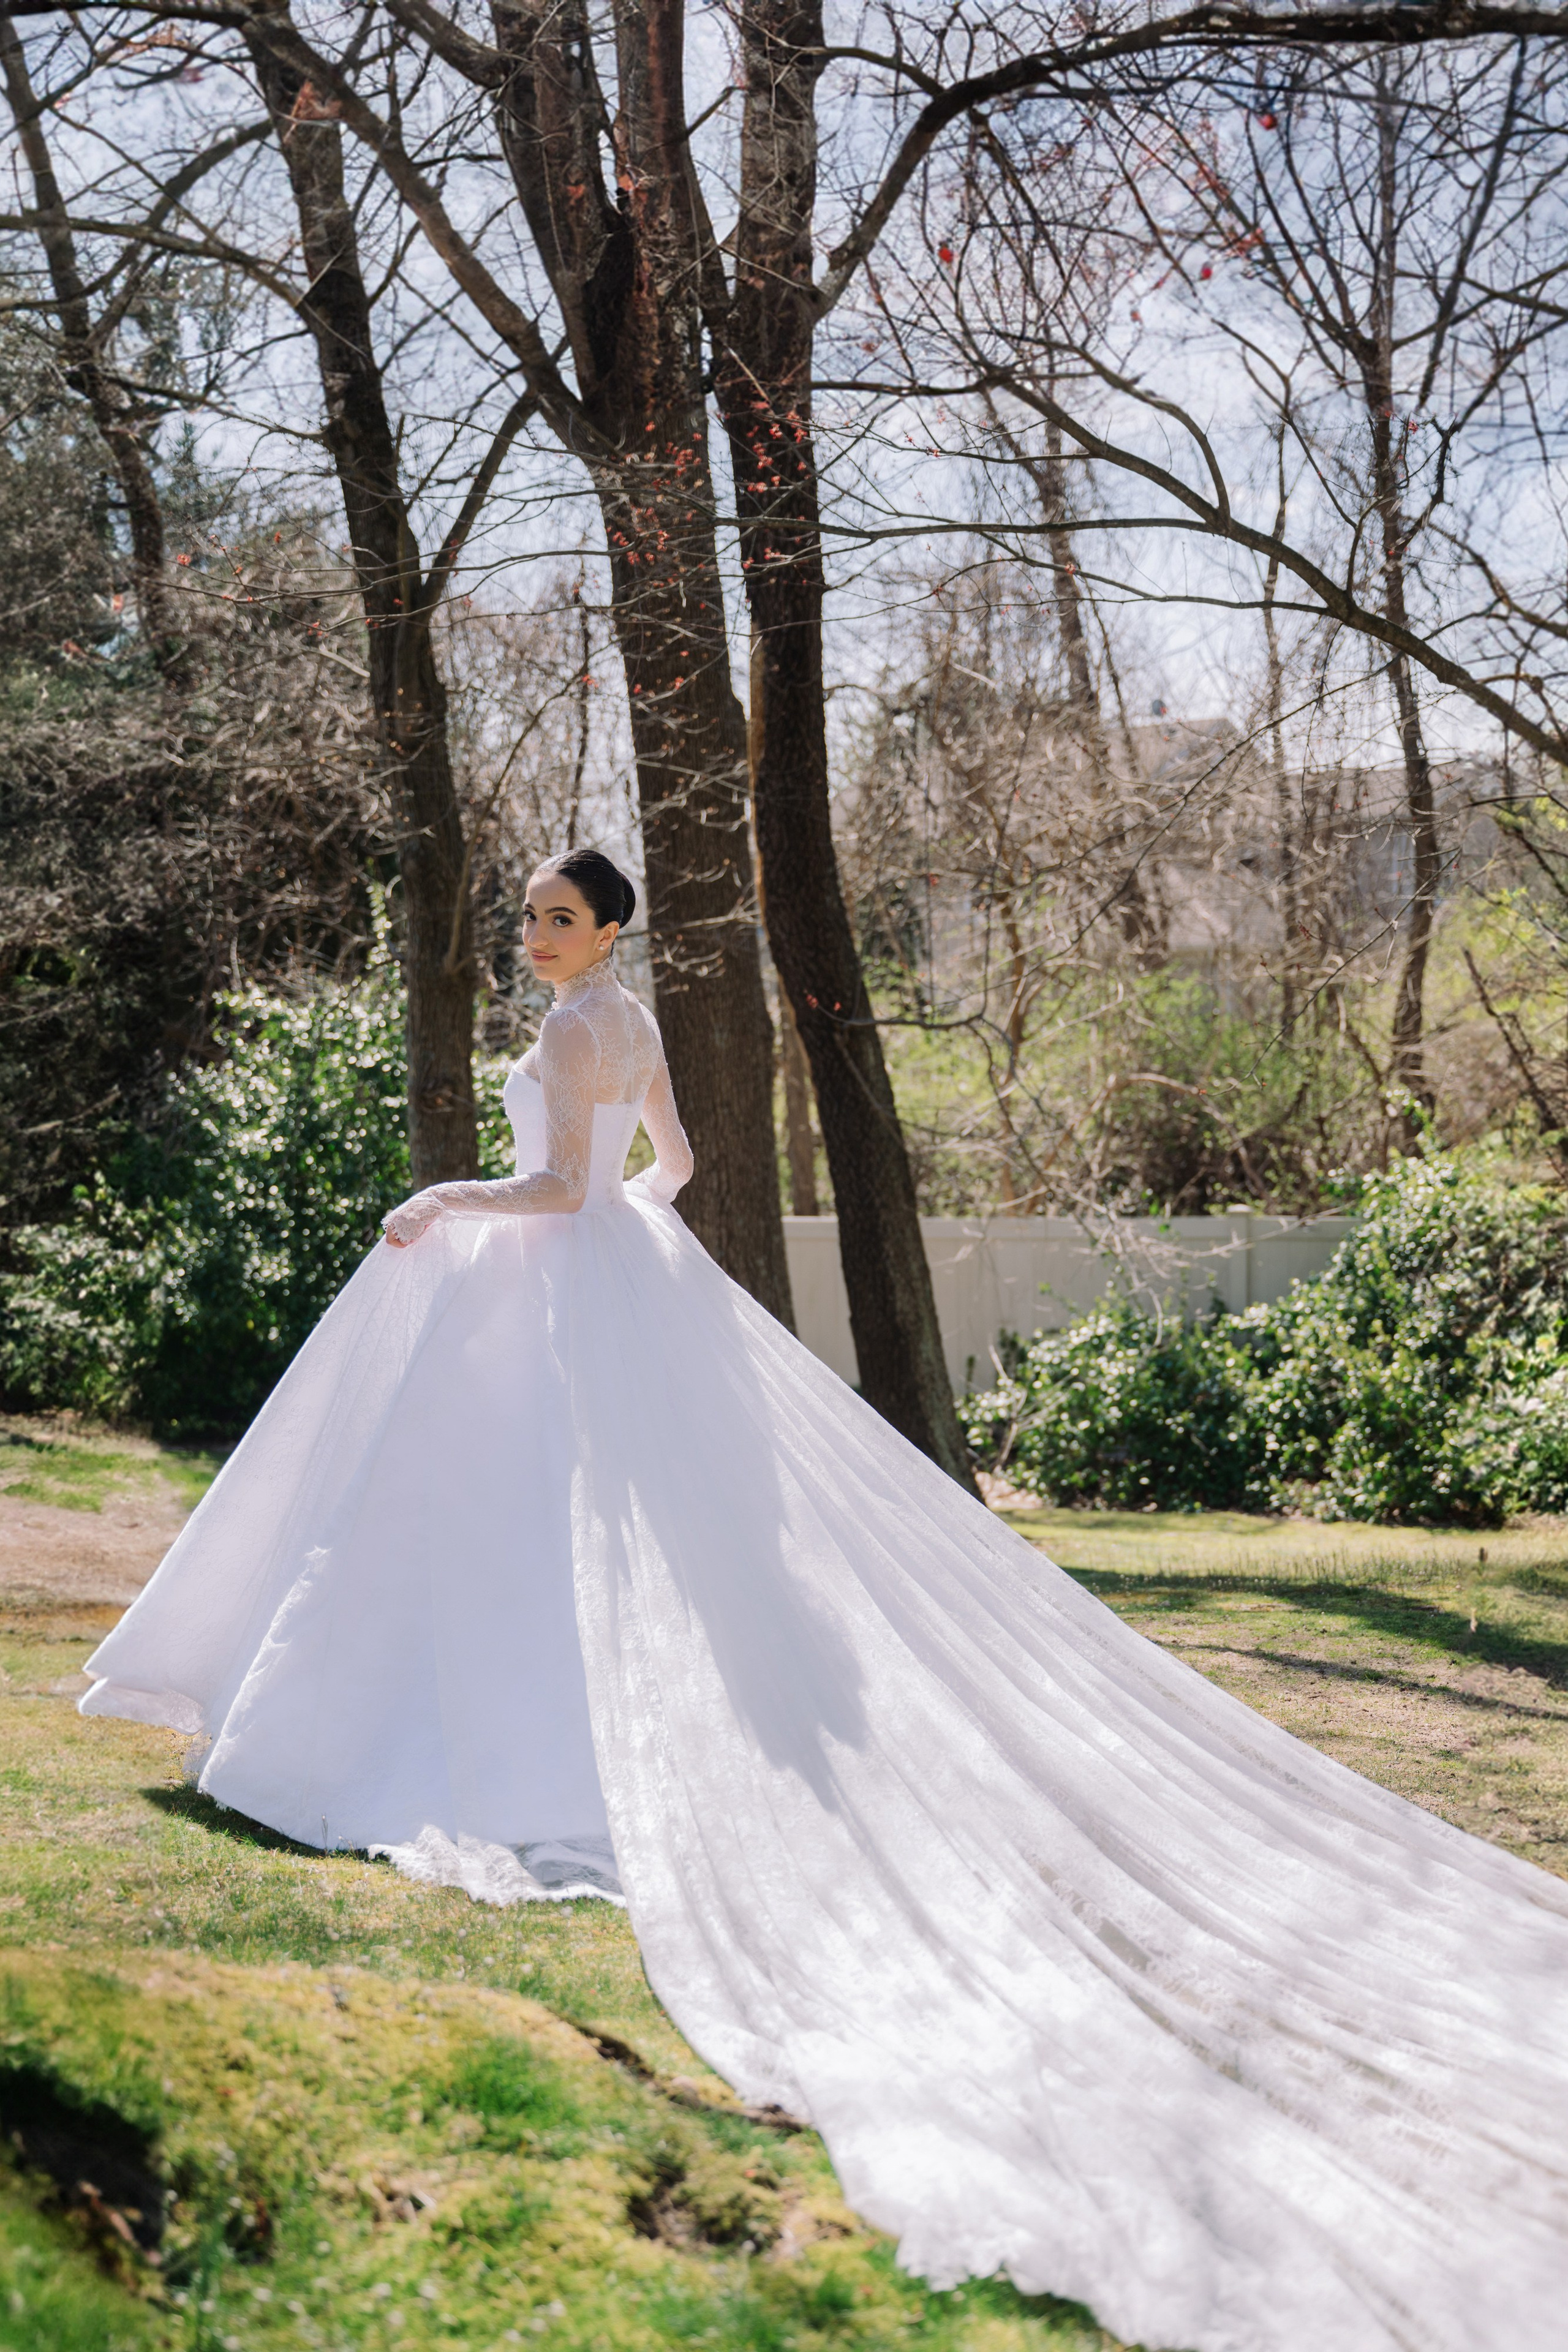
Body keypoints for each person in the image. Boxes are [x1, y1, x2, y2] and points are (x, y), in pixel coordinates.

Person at [81, 848, 1568, 2352]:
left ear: (607, 930)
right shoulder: (632, 1020)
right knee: (555, 1522)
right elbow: (678, 1167)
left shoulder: (582, 1024)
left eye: (558, 919)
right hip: (603, 1284)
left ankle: (470, 1742)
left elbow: (561, 1183)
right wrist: (631, 1247)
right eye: (529, 916)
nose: (534, 936)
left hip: (554, 1278)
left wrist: (442, 1198)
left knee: (524, 1513)